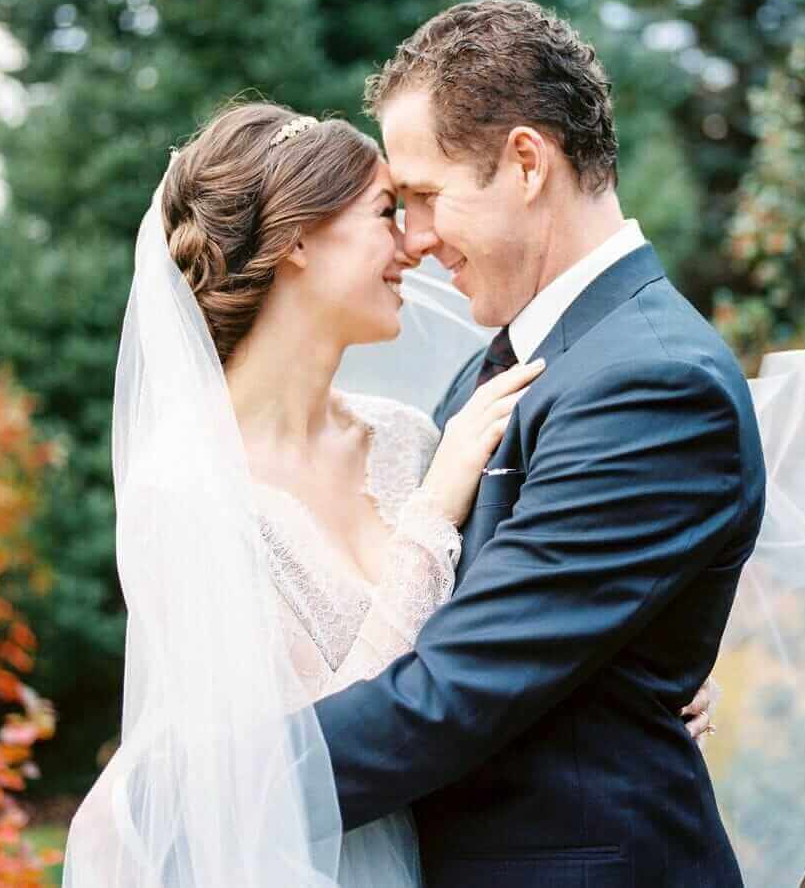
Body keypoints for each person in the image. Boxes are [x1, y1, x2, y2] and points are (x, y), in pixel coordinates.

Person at [61, 96, 723, 888]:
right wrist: (431, 517)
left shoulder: (411, 437)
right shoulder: (186, 488)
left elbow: (505, 628)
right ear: (298, 238)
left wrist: (628, 669)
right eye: (387, 211)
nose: (416, 243)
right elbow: (276, 773)